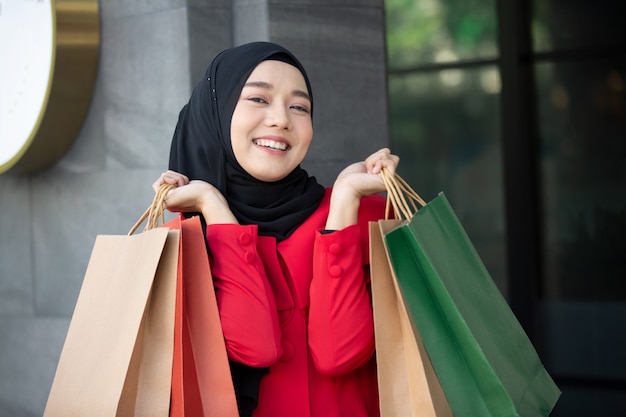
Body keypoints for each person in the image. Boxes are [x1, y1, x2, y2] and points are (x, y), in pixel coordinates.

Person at [153, 41, 399, 417]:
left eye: (299, 106)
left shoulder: (361, 214)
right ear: (215, 113)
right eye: (258, 99)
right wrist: (212, 206)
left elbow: (340, 354)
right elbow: (256, 347)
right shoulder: (185, 237)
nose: (281, 119)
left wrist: (346, 199)